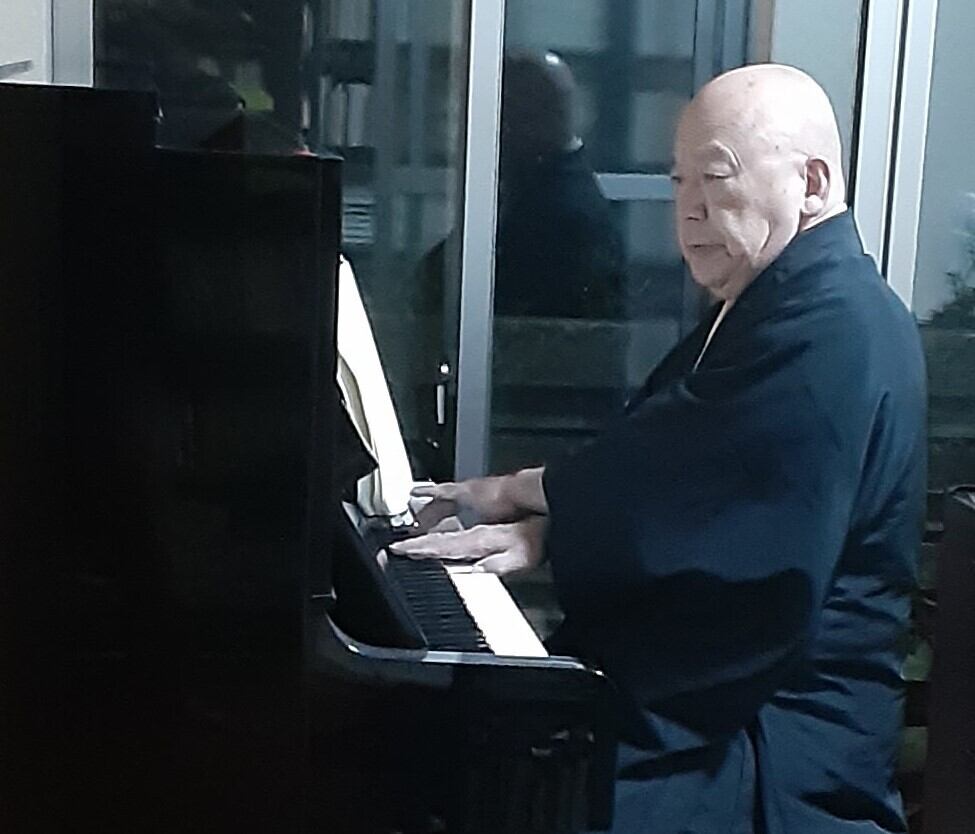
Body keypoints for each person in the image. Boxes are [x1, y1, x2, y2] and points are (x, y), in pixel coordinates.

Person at [390, 64, 926, 833]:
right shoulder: (784, 302)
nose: (690, 209)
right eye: (678, 181)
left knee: (496, 779)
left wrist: (532, 507)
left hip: (768, 740)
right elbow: (678, 461)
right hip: (732, 698)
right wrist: (547, 520)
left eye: (716, 177)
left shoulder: (836, 325)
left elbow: (731, 541)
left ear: (810, 183)